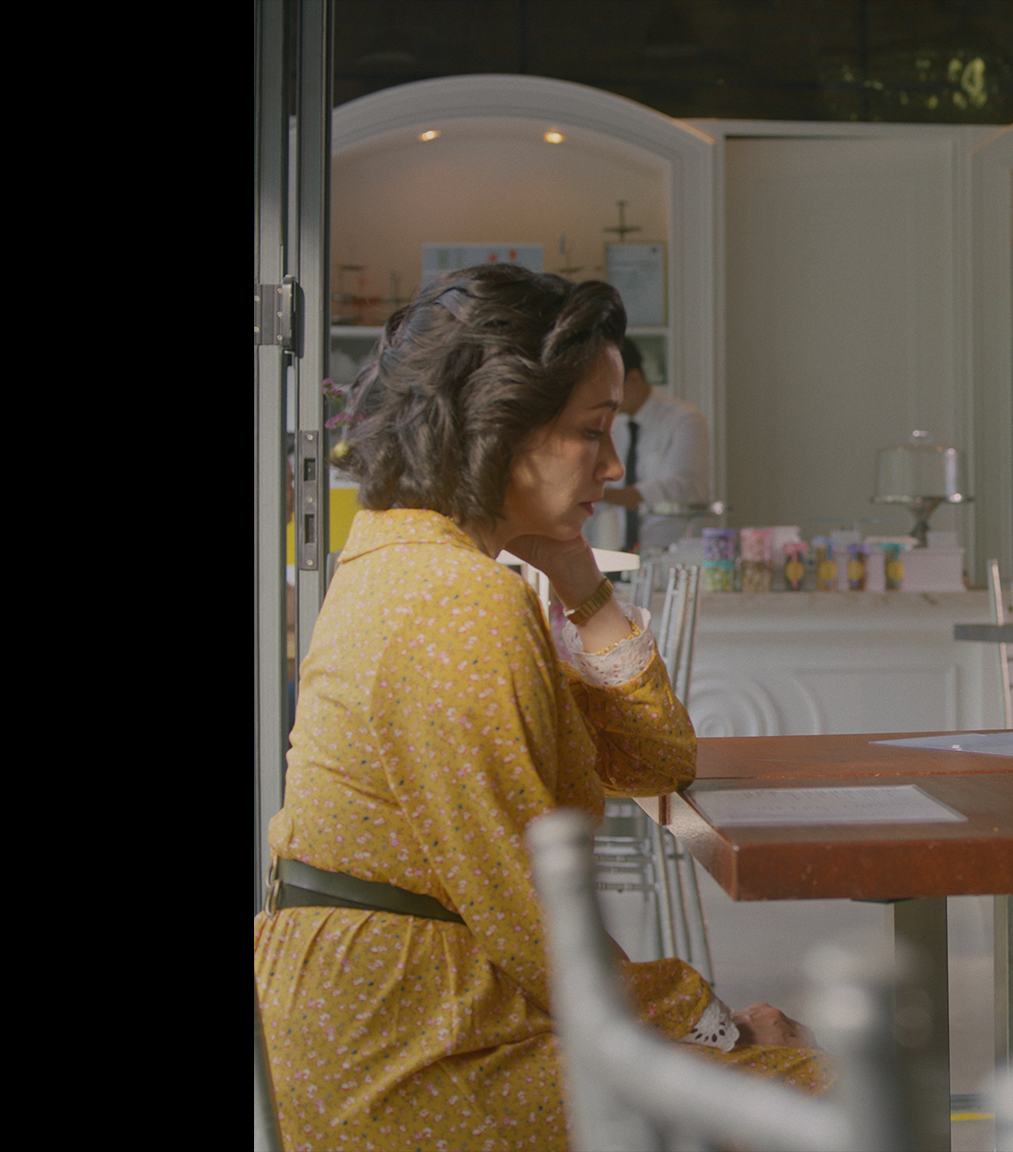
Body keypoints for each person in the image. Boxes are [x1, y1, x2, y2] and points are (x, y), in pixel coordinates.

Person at [254, 265, 824, 1151]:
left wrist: (582, 581)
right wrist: (713, 1026)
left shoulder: (403, 558)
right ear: (499, 426)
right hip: (413, 1044)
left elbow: (656, 762)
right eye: (592, 432)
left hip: (377, 1018)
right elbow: (532, 917)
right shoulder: (460, 602)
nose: (613, 465)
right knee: (826, 1091)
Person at [595, 336, 711, 552]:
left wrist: (600, 494)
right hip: (621, 551)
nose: (603, 397)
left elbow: (677, 488)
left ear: (633, 378)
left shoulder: (684, 419)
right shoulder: (615, 426)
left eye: (608, 387)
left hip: (674, 552)